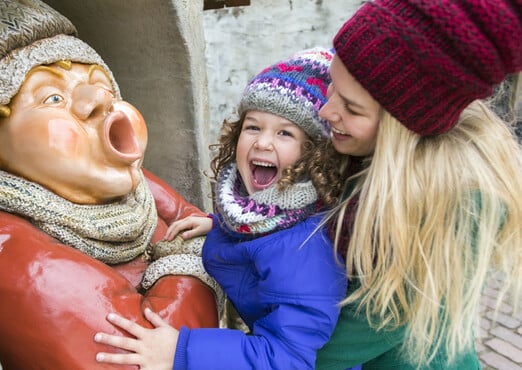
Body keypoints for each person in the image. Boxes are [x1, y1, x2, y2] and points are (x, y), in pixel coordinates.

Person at [0, 1, 221, 369]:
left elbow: (188, 218)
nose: (99, 100)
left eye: (102, 87)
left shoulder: (131, 192)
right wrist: (191, 256)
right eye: (54, 98)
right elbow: (145, 352)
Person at [94, 47, 351, 369]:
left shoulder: (305, 249)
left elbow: (289, 358)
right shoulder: (261, 211)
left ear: (313, 153)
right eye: (253, 126)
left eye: (285, 133)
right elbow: (264, 234)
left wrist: (182, 351)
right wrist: (218, 225)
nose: (262, 142)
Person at [312, 0, 522, 369]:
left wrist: (221, 352)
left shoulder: (447, 207)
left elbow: (344, 339)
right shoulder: (374, 155)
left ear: (405, 121)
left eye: (351, 107)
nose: (325, 111)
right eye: (331, 84)